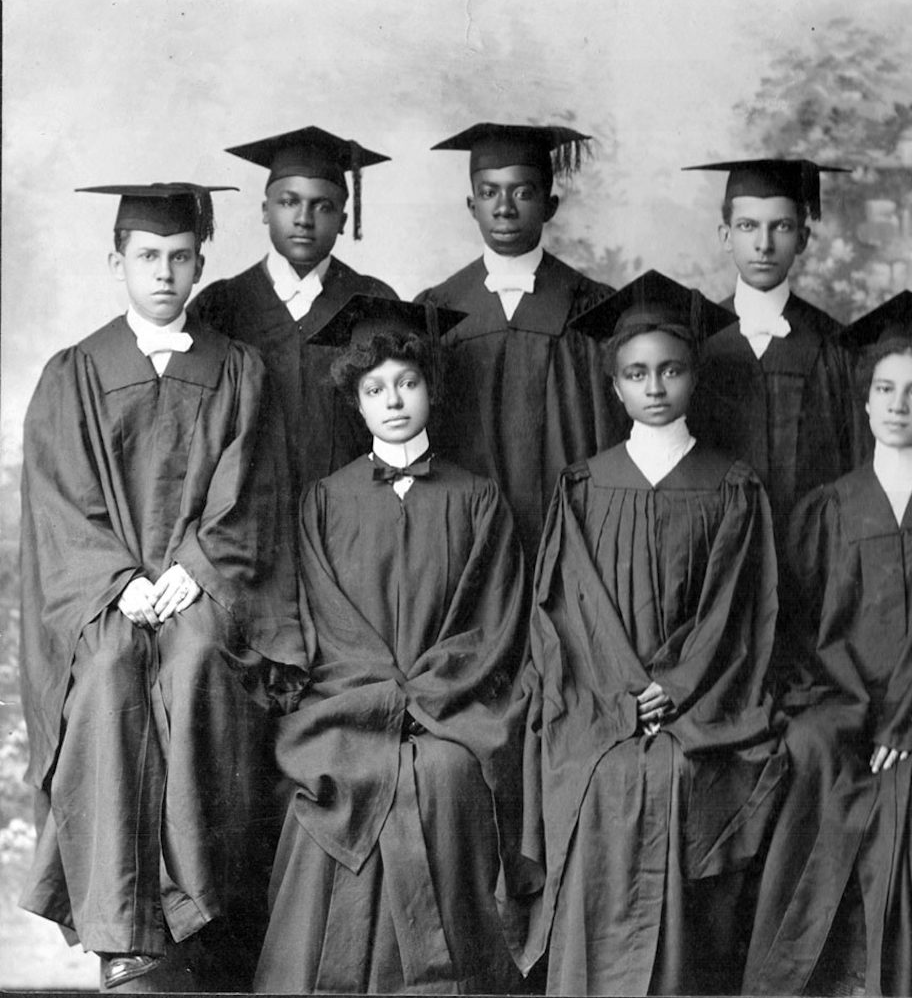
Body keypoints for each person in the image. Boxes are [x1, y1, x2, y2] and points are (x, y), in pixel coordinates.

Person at [18, 184, 306, 991]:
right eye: (148, 256)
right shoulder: (74, 372)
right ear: (118, 262)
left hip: (198, 590)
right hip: (109, 597)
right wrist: (117, 583)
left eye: (181, 257)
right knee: (109, 676)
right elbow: (61, 501)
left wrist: (196, 570)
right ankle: (125, 933)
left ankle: (198, 913)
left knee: (199, 665)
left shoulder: (237, 370)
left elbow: (250, 493)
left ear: (200, 262)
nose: (164, 273)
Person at [253, 296, 537, 993]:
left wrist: (424, 695)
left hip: (454, 708)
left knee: (443, 777)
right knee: (341, 779)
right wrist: (385, 698)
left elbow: (491, 622)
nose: (394, 400)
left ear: (431, 388)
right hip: (348, 708)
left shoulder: (478, 500)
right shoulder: (324, 501)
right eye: (375, 388)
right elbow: (327, 622)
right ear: (355, 399)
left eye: (407, 383)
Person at [522, 270, 788, 995]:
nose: (655, 385)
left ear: (694, 375)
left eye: (670, 369)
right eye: (636, 373)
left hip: (699, 709)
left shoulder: (732, 483)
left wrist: (668, 691)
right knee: (604, 775)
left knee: (675, 775)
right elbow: (567, 611)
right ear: (614, 387)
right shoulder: (583, 486)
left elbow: (735, 613)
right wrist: (620, 695)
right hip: (602, 709)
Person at [743, 293, 912, 997]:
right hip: (839, 702)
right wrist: (848, 707)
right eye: (884, 389)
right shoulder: (829, 506)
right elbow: (793, 630)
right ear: (865, 400)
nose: (898, 405)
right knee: (810, 750)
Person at [413, 122, 623, 561]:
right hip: (468, 542)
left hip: (572, 538)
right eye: (489, 193)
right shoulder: (437, 310)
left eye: (522, 193)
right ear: (471, 205)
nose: (504, 208)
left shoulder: (591, 308)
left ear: (549, 206)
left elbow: (611, 438)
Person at [187, 125, 399, 498]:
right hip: (246, 525)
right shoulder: (219, 306)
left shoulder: (374, 302)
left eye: (323, 206)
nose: (304, 218)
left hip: (352, 517)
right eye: (288, 202)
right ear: (265, 211)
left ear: (344, 221)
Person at [683, 157, 864, 519]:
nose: (763, 244)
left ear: (802, 238)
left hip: (812, 557)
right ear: (726, 236)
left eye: (780, 227)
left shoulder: (836, 345)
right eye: (747, 226)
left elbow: (857, 470)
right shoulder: (693, 337)